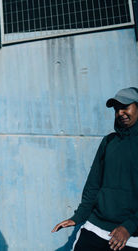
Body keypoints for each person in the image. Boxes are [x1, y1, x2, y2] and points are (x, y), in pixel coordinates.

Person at [52, 87, 138, 251]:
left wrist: (129, 226)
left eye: (125, 107)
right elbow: (93, 185)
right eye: (116, 109)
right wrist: (79, 216)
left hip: (131, 238)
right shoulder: (109, 142)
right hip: (95, 229)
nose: (120, 113)